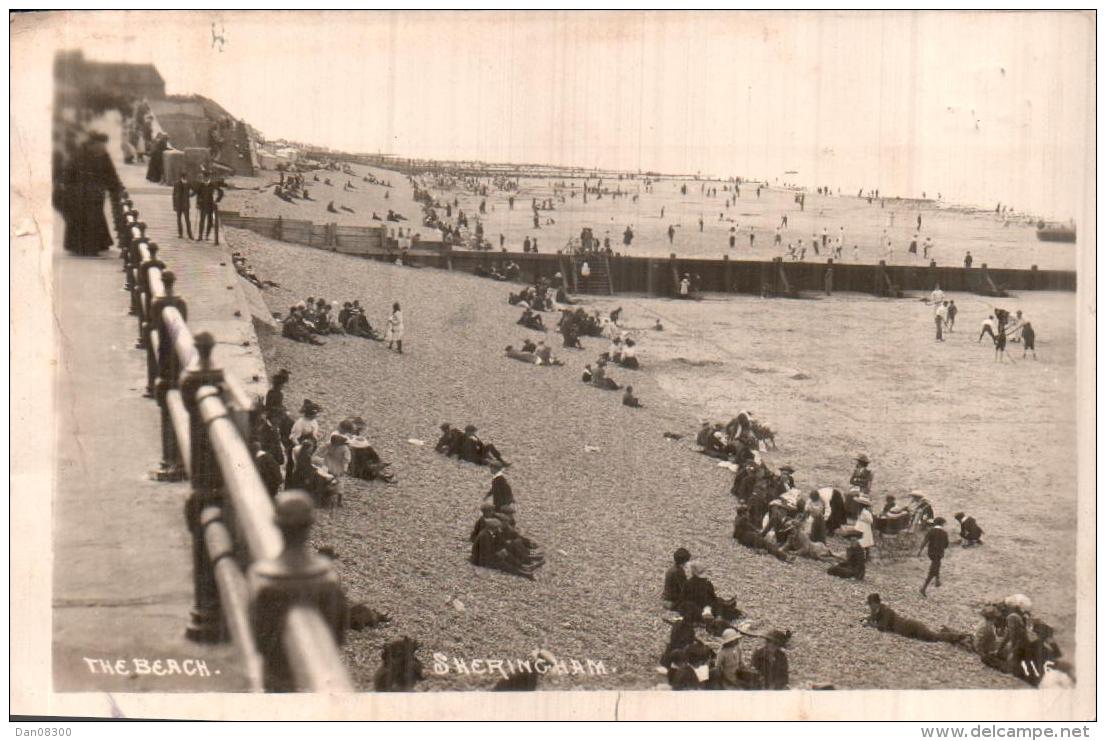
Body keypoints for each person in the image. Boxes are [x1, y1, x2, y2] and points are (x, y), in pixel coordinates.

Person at [61, 132, 123, 256]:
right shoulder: (78, 155)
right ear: (93, 144)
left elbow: (111, 174)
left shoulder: (103, 155)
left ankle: (94, 245)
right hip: (79, 194)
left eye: (104, 145)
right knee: (84, 220)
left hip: (95, 194)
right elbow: (68, 175)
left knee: (94, 219)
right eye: (101, 145)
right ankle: (83, 247)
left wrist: (116, 188)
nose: (103, 147)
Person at [864, 594, 968, 645]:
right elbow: (875, 617)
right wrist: (867, 618)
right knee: (932, 636)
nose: (870, 607)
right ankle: (948, 632)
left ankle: (956, 636)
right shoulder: (881, 609)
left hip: (912, 627)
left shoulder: (886, 611)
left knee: (934, 638)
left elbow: (883, 627)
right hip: (909, 628)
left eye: (871, 605)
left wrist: (870, 625)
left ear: (876, 603)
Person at [919, 517, 950, 596]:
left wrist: (920, 551)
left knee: (936, 565)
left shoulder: (931, 531)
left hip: (931, 553)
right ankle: (924, 588)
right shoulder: (944, 533)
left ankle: (937, 580)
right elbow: (946, 545)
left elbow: (925, 541)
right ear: (942, 524)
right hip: (939, 553)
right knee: (933, 569)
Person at [172, 173, 194, 240]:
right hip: (179, 204)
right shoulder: (176, 184)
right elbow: (174, 195)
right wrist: (174, 205)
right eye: (184, 177)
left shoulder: (188, 184)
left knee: (187, 220)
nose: (185, 178)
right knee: (179, 219)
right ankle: (180, 233)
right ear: (181, 177)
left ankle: (189, 234)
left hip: (185, 204)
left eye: (185, 177)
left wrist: (190, 195)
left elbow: (194, 190)